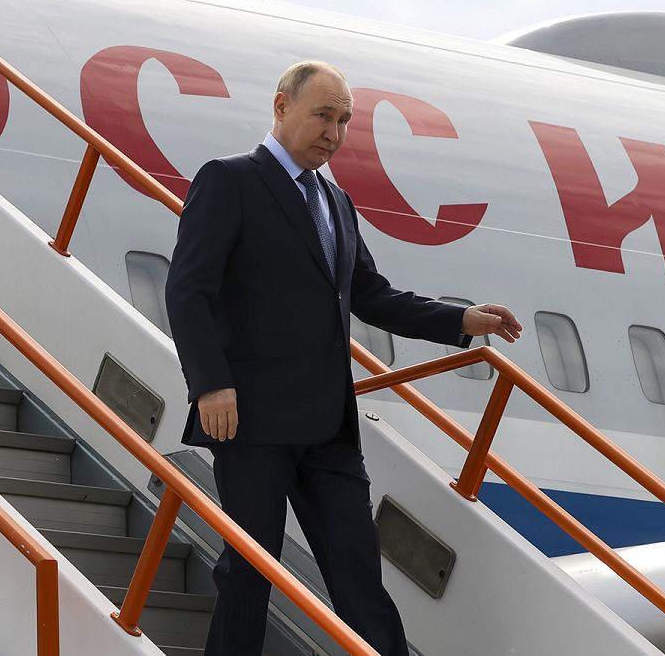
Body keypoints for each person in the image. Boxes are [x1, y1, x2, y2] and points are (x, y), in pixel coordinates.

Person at [165, 60, 522, 656]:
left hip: (328, 424)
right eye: (323, 115)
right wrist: (209, 385)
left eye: (344, 120)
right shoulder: (230, 181)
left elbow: (372, 295)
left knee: (360, 578)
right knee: (250, 572)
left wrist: (460, 321)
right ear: (282, 108)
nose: (334, 131)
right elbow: (188, 289)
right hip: (249, 419)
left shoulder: (336, 201)